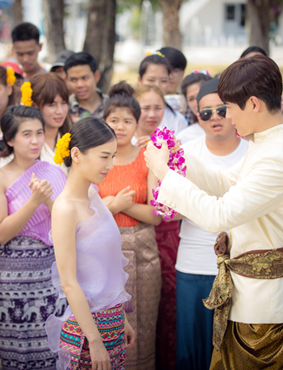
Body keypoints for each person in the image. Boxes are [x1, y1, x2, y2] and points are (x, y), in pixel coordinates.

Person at [144, 55, 283, 369]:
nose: (226, 117)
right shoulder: (270, 143)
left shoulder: (277, 154)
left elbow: (219, 215)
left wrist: (162, 171)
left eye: (229, 108)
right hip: (251, 294)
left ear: (253, 104)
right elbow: (227, 183)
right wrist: (179, 156)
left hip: (264, 305)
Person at [45, 116, 135, 370]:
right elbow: (69, 282)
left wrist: (121, 317)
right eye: (104, 156)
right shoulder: (64, 209)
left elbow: (107, 267)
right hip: (87, 330)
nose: (110, 165)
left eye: (113, 156)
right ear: (76, 154)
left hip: (113, 322)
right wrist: (93, 340)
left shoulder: (94, 195)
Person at [175, 78, 249, 370]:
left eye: (221, 110)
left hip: (241, 263)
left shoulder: (253, 151)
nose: (214, 118)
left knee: (233, 348)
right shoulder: (185, 151)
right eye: (206, 113)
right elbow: (172, 205)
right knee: (191, 348)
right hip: (193, 262)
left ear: (233, 110)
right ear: (197, 116)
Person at [0, 105, 67, 370]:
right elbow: (0, 233)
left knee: (54, 347)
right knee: (18, 352)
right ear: (9, 139)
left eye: (39, 133)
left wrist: (49, 202)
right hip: (13, 279)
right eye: (26, 134)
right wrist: (34, 202)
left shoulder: (53, 171)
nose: (35, 141)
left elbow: (66, 224)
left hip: (51, 273)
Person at [98, 81, 162, 370]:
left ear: (138, 125)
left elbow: (157, 215)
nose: (121, 127)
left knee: (144, 322)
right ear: (104, 122)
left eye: (128, 121)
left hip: (144, 248)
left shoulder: (147, 160)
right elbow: (84, 211)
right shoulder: (96, 160)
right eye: (114, 120)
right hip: (103, 250)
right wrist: (109, 207)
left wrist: (124, 205)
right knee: (110, 321)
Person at [0, 73, 72, 171]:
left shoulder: (73, 139)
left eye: (64, 103)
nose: (60, 111)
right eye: (52, 105)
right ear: (34, 105)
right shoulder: (21, 142)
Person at [138, 54, 188, 135]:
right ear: (139, 80)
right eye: (151, 80)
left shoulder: (177, 120)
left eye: (164, 81)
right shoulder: (127, 114)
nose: (157, 85)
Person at [65, 52, 108, 121]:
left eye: (85, 78)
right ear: (67, 80)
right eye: (73, 79)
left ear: (96, 76)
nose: (79, 85)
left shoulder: (112, 105)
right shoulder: (64, 111)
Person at [177, 72, 213, 144]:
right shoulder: (184, 137)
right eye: (191, 99)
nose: (196, 103)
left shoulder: (234, 128)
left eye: (200, 95)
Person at [132, 84, 166, 148]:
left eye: (158, 108)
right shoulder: (123, 142)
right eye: (146, 108)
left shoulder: (168, 142)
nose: (152, 115)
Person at [159, 47, 187, 112]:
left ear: (182, 73)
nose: (170, 76)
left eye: (175, 71)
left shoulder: (189, 103)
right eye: (166, 71)